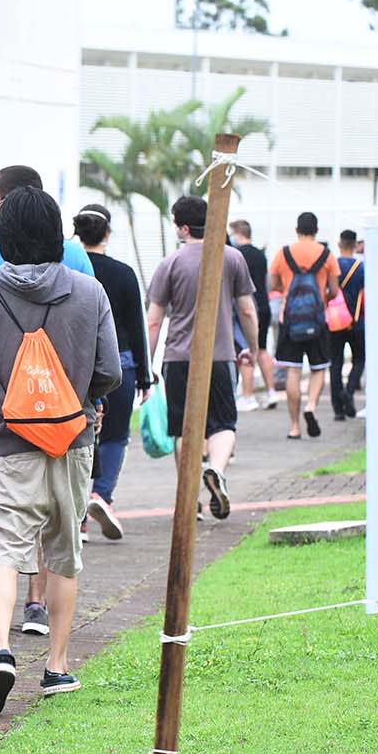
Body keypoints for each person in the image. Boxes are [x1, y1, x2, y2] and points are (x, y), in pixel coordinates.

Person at [0, 187, 120, 715]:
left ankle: (0, 649)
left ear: (2, 238)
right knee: (64, 553)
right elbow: (110, 372)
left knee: (2, 549)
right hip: (71, 441)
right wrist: (86, 398)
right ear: (55, 235)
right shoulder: (90, 293)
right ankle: (57, 667)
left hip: (5, 441)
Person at [0, 165, 96, 636]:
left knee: (4, 538)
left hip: (1, 415)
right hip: (69, 422)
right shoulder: (82, 270)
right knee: (62, 541)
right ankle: (45, 630)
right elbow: (103, 363)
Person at [145, 196, 259, 521]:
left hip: (179, 357)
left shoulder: (170, 263)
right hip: (221, 355)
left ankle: (189, 499)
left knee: (184, 429)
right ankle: (218, 470)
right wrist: (252, 346)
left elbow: (154, 321)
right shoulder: (232, 258)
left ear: (183, 227)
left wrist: (146, 365)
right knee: (223, 423)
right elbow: (247, 310)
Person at [74, 204, 150, 540]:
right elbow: (137, 326)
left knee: (78, 436)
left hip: (76, 365)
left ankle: (79, 517)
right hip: (120, 364)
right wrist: (146, 376)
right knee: (116, 434)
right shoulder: (123, 273)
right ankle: (101, 494)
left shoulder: (71, 269)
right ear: (107, 233)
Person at [271, 212, 343, 440]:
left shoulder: (283, 254)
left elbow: (273, 284)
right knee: (318, 368)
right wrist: (321, 299)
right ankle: (311, 405)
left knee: (293, 369)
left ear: (296, 229)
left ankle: (294, 426)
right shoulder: (327, 255)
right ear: (316, 230)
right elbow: (334, 289)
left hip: (289, 319)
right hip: (316, 319)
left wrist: (289, 294)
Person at [228, 219, 277, 411]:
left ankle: (247, 396)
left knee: (245, 351)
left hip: (247, 308)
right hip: (264, 306)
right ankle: (271, 391)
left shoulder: (237, 255)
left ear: (238, 233)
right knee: (262, 349)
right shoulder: (260, 255)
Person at [328, 229, 366, 421]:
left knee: (335, 362)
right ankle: (349, 390)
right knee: (359, 359)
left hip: (335, 321)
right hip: (358, 321)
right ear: (354, 245)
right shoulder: (362, 267)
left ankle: (338, 410)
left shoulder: (331, 265)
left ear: (339, 244)